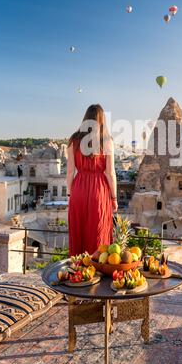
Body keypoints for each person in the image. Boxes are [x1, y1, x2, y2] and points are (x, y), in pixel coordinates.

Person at [67, 104, 117, 256]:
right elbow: (110, 173)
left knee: (78, 231)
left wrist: (70, 195)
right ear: (102, 120)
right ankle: (97, 273)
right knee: (97, 233)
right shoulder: (107, 141)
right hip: (99, 190)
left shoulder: (73, 140)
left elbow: (70, 171)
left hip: (78, 188)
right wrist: (114, 197)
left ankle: (77, 271)